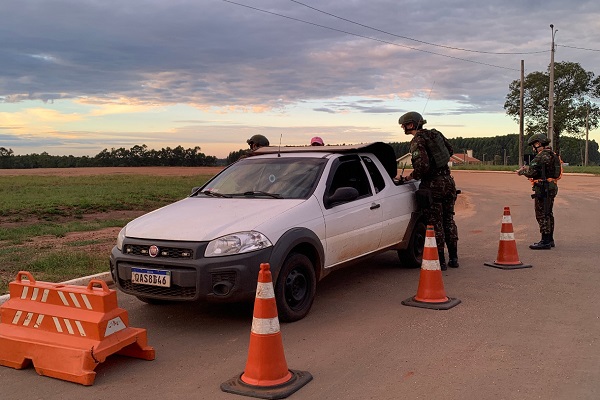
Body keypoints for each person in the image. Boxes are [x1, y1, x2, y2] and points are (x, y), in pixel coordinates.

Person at [398, 111, 459, 271]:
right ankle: (454, 258)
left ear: (411, 125)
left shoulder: (417, 141)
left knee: (434, 223)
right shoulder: (435, 134)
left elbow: (422, 167)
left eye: (404, 125)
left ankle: (441, 261)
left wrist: (408, 178)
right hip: (448, 181)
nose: (403, 127)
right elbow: (450, 150)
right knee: (449, 220)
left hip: (432, 185)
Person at [516, 133, 562, 250]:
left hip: (543, 187)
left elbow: (532, 172)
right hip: (551, 186)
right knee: (548, 213)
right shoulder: (553, 155)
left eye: (534, 145)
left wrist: (522, 171)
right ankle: (550, 239)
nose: (533, 148)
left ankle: (545, 241)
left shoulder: (541, 156)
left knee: (542, 214)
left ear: (538, 144)